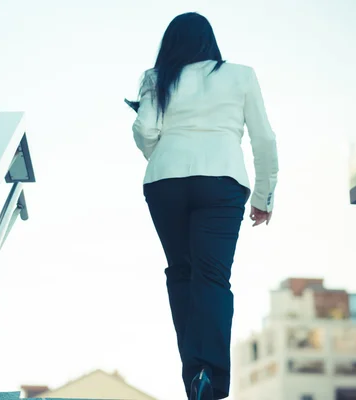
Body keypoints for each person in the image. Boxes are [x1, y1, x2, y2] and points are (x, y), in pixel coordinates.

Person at [131, 12, 279, 400]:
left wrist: (161, 155)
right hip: (221, 179)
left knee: (182, 274)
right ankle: (209, 378)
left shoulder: (156, 78)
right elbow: (263, 139)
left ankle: (193, 374)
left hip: (165, 181)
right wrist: (264, 197)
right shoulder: (241, 75)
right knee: (213, 278)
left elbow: (146, 130)